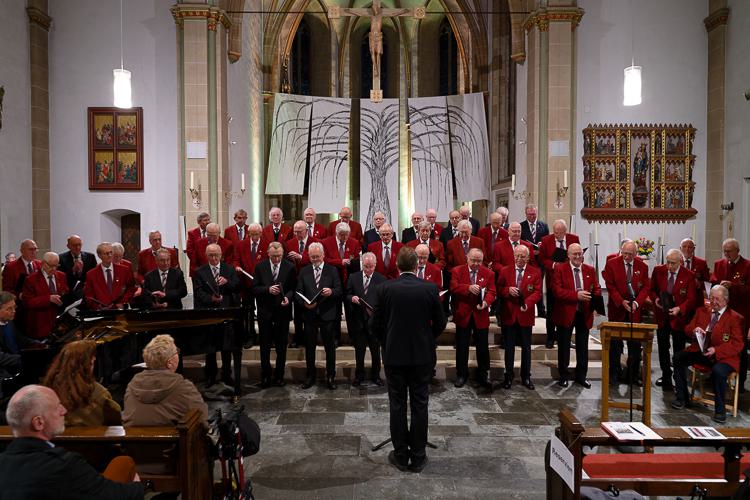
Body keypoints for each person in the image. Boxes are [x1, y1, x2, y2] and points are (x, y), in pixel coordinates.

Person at [370, 247, 446, 473]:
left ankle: (401, 455)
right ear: (417, 266)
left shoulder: (384, 288)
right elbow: (440, 323)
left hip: (394, 356)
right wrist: (426, 339)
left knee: (397, 404)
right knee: (420, 404)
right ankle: (419, 455)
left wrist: (387, 341)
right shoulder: (430, 288)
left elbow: (374, 325)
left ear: (397, 266)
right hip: (422, 356)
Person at [0, 384, 144, 499]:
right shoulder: (62, 465)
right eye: (57, 407)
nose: (64, 411)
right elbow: (115, 494)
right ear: (38, 423)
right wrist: (140, 487)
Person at [672, 285, 745, 423]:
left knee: (718, 371)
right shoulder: (701, 311)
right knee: (678, 358)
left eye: (717, 299)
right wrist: (694, 330)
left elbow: (737, 344)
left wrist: (716, 350)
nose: (713, 302)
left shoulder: (735, 318)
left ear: (726, 300)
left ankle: (720, 410)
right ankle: (682, 398)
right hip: (702, 351)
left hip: (724, 357)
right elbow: (687, 329)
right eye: (711, 298)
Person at [123, 334, 208, 426]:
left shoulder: (131, 386)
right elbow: (201, 419)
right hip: (174, 440)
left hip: (133, 439)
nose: (178, 355)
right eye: (176, 352)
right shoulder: (183, 387)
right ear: (169, 363)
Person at [551, 243, 601, 388]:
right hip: (565, 313)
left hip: (584, 313)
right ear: (568, 255)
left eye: (580, 253)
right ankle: (563, 375)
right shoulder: (560, 269)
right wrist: (576, 295)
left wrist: (595, 305)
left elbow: (597, 288)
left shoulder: (590, 270)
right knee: (564, 346)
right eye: (575, 254)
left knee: (582, 346)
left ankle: (581, 376)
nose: (578, 256)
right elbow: (557, 291)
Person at [602, 240, 651, 385]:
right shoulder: (612, 263)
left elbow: (645, 287)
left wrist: (636, 303)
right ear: (621, 251)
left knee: (634, 346)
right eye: (625, 253)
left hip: (634, 311)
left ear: (636, 254)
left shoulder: (642, 266)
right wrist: (621, 301)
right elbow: (610, 285)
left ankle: (632, 376)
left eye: (630, 254)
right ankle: (614, 374)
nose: (627, 257)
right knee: (615, 345)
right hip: (617, 309)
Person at [193, 243, 241, 389]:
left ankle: (226, 374)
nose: (214, 258)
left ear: (221, 255)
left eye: (216, 255)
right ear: (206, 256)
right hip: (210, 313)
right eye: (211, 255)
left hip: (226, 313)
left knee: (226, 347)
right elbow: (198, 292)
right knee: (210, 347)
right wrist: (211, 299)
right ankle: (211, 376)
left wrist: (227, 282)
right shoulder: (200, 272)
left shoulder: (229, 269)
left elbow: (237, 286)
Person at [295, 243, 342, 390]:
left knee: (330, 348)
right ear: (308, 256)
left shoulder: (332, 270)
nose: (315, 259)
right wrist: (304, 304)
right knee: (310, 348)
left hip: (327, 314)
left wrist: (332, 292)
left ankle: (330, 376)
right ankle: (310, 376)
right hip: (309, 315)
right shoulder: (304, 271)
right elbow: (297, 293)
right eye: (312, 257)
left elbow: (340, 290)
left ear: (323, 255)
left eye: (317, 256)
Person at [42, 340, 121, 426]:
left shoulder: (46, 390)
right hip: (94, 437)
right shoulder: (99, 392)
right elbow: (116, 420)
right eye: (92, 363)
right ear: (88, 365)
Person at [650, 249, 698, 390]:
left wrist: (680, 309)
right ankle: (666, 376)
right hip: (662, 317)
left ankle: (678, 378)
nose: (669, 266)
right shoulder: (658, 271)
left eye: (673, 263)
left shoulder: (689, 275)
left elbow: (691, 299)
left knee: (678, 350)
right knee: (663, 347)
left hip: (679, 319)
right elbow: (652, 289)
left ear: (680, 262)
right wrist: (656, 299)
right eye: (668, 262)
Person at [450, 248, 496, 390]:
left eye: (479, 261)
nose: (476, 263)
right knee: (462, 346)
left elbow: (492, 292)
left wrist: (486, 302)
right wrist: (468, 288)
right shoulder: (457, 271)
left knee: (482, 347)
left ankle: (483, 374)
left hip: (480, 314)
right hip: (463, 314)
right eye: (473, 260)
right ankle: (461, 374)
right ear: (467, 258)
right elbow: (453, 287)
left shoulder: (489, 273)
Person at [497, 245, 542, 390]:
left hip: (525, 314)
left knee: (526, 348)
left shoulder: (535, 272)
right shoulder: (505, 271)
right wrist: (507, 291)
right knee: (509, 347)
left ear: (528, 258)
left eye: (522, 256)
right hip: (509, 314)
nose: (519, 259)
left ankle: (526, 377)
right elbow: (499, 289)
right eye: (517, 256)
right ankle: (508, 377)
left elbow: (537, 292)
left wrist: (527, 304)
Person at [253, 242, 296, 388]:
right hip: (265, 311)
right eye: (274, 256)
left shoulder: (289, 267)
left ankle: (279, 376)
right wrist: (267, 289)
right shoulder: (260, 267)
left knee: (281, 346)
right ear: (268, 254)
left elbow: (292, 288)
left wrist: (288, 298)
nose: (277, 259)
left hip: (282, 311)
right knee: (264, 346)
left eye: (279, 256)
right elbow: (255, 288)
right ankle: (265, 376)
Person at [710, 238, 750, 391]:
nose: (726, 254)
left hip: (740, 312)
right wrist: (718, 285)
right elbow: (713, 281)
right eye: (724, 251)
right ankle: (717, 375)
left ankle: (740, 380)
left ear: (737, 251)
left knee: (740, 345)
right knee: (718, 342)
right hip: (721, 311)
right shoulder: (719, 264)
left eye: (729, 251)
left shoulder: (747, 265)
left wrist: (733, 286)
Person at [346, 252, 386, 386]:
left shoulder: (381, 279)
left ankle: (376, 375)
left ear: (375, 265)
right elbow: (347, 294)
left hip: (374, 322)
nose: (368, 269)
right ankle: (359, 375)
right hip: (358, 320)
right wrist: (351, 298)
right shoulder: (353, 277)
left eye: (371, 266)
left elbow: (384, 301)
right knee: (359, 351)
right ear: (362, 264)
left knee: (376, 352)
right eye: (366, 266)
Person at [539, 220, 580, 348]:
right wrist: (554, 264)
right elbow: (542, 258)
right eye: (555, 232)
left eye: (559, 233)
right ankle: (550, 338)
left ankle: (566, 338)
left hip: (569, 280)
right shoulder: (546, 240)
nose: (556, 235)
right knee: (551, 310)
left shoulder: (574, 239)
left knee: (567, 311)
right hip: (553, 280)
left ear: (565, 231)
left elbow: (578, 256)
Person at [21, 252, 69, 339]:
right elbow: (27, 302)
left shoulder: (62, 275)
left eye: (56, 265)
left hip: (59, 324)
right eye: (50, 266)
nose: (53, 269)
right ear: (43, 263)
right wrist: (48, 299)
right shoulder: (31, 279)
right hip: (40, 324)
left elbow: (65, 292)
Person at [83, 242, 136, 310]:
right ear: (99, 255)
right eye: (106, 253)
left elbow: (131, 288)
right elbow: (88, 296)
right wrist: (97, 307)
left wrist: (123, 302)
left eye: (111, 252)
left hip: (120, 311)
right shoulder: (91, 274)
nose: (110, 255)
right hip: (101, 313)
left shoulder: (124, 270)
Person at [0, 292, 23, 382]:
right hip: (4, 371)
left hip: (16, 363)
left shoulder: (9, 322)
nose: (14, 311)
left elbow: (21, 339)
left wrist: (40, 344)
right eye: (9, 309)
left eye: (14, 307)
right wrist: (22, 358)